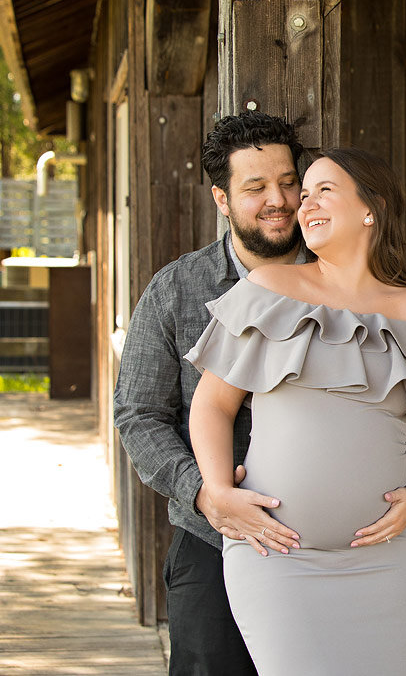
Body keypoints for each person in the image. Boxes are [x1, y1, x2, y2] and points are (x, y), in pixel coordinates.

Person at [185, 148, 406, 675]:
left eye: (323, 190)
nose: (305, 205)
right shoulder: (268, 291)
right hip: (276, 556)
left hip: (387, 559)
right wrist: (218, 490)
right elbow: (211, 404)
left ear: (371, 208)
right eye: (305, 196)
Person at [113, 110, 307, 676]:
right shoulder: (177, 289)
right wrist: (204, 494)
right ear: (222, 199)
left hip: (333, 546)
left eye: (289, 182)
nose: (279, 200)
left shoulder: (347, 284)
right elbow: (138, 414)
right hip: (213, 541)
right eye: (256, 188)